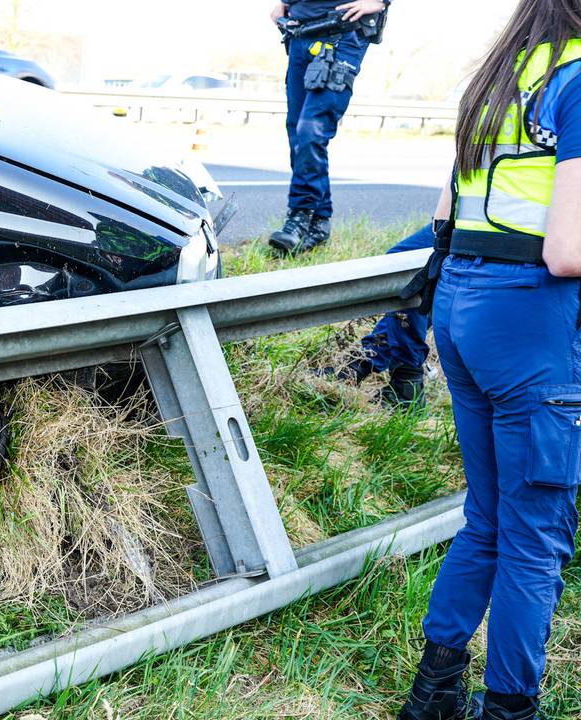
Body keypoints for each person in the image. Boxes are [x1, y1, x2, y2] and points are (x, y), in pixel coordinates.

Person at [398, 2, 581, 718]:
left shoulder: (502, 76)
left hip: (463, 304)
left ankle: (433, 692)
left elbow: (445, 211)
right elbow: (567, 250)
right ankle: (509, 710)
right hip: (532, 319)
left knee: (488, 519)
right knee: (536, 540)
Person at [268, 0, 390, 255]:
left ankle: (299, 217)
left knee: (311, 128)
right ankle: (319, 223)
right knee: (297, 133)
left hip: (342, 33)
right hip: (299, 33)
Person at [335, 223, 434, 407]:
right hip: (476, 217)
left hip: (478, 221)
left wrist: (441, 224)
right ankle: (365, 364)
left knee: (402, 269)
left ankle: (406, 384)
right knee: (420, 277)